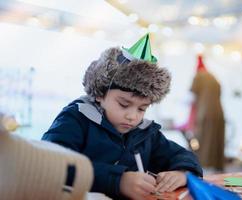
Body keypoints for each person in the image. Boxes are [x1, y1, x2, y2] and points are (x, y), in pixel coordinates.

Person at [42, 34, 203, 200]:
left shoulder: (145, 133)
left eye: (142, 108)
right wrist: (117, 181)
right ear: (100, 93)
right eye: (124, 104)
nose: (132, 116)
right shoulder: (76, 119)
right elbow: (52, 164)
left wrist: (183, 172)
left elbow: (181, 155)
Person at [190, 55, 225, 172]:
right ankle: (216, 166)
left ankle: (204, 168)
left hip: (205, 112)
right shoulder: (213, 76)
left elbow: (193, 94)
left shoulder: (199, 76)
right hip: (219, 112)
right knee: (216, 140)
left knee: (204, 141)